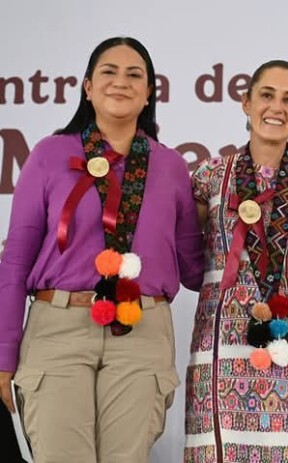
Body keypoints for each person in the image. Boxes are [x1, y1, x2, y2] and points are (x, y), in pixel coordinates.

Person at [0, 36, 203, 462]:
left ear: (149, 92)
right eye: (109, 72)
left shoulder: (171, 166)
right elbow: (15, 261)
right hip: (57, 328)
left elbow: (194, 270)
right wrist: (4, 351)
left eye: (135, 75)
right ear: (88, 86)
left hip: (141, 329)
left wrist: (229, 219)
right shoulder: (49, 154)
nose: (121, 82)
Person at [184, 59, 288, 463]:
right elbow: (175, 242)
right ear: (246, 103)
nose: (277, 107)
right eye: (267, 95)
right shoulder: (209, 176)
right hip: (218, 349)